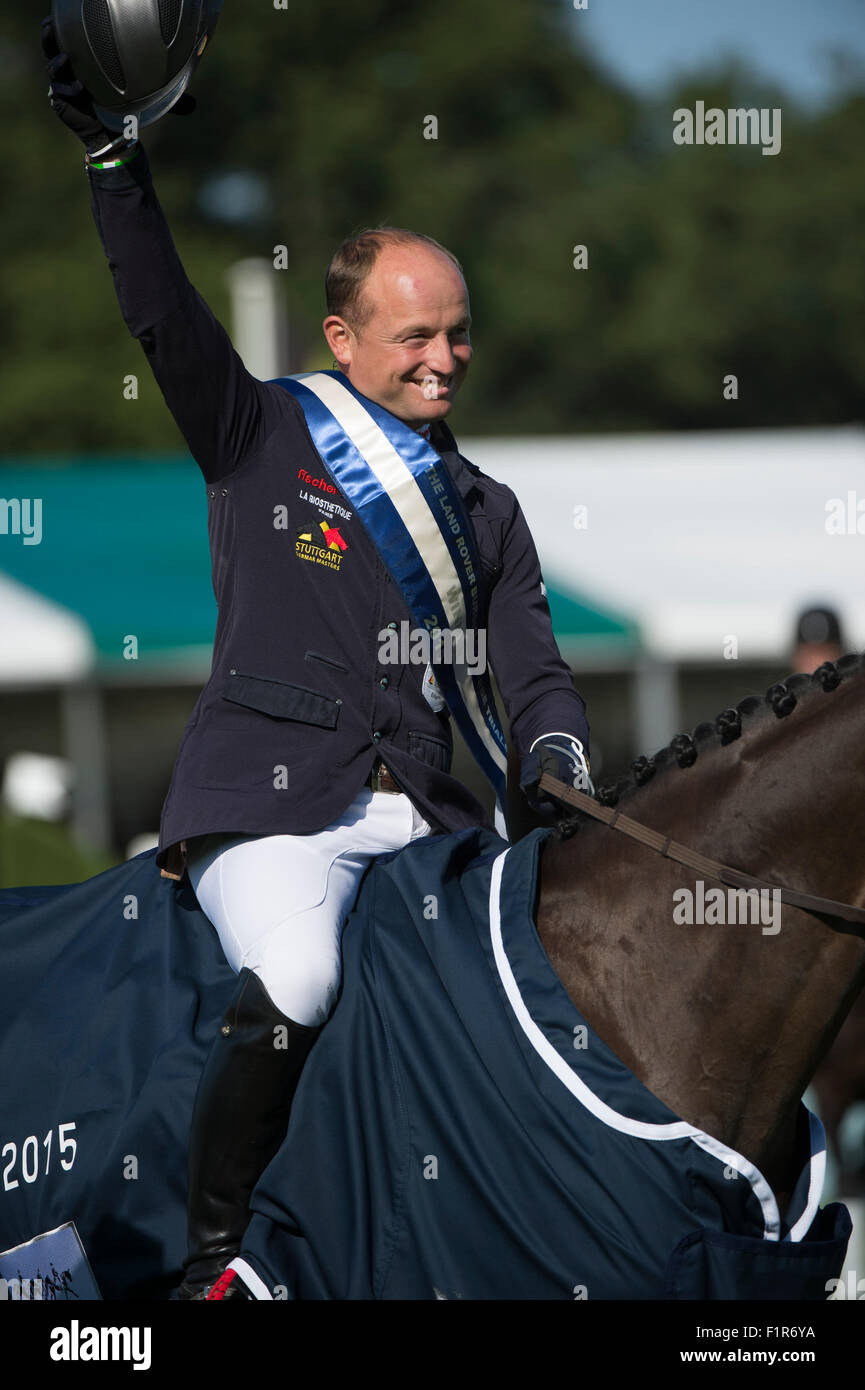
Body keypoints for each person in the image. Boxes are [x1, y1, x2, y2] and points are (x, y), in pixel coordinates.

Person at [42, 18, 592, 1300]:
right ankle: (219, 1263)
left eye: (457, 334)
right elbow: (161, 313)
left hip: (439, 827)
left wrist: (559, 757)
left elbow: (538, 674)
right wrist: (116, 162)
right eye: (415, 338)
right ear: (343, 341)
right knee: (298, 972)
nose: (444, 359)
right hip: (272, 809)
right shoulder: (255, 430)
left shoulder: (491, 512)